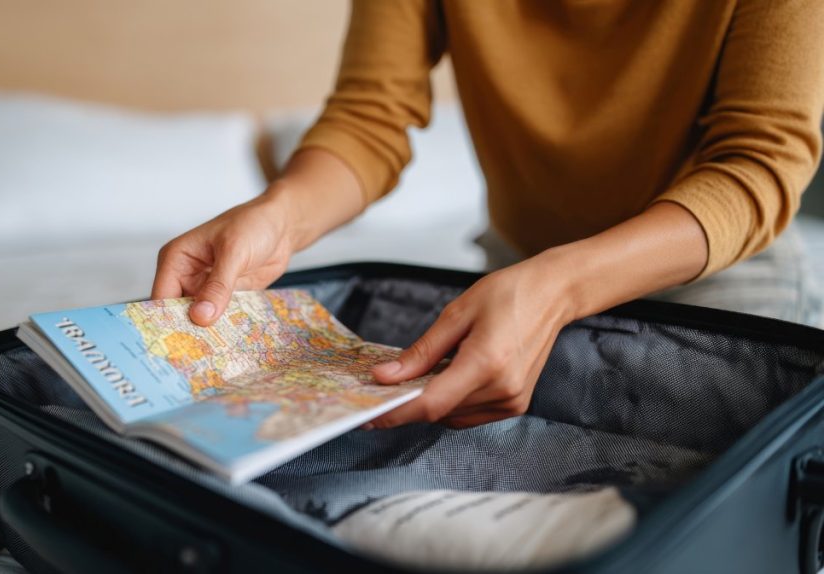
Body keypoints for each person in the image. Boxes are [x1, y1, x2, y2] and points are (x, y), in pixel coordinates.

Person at [152, 1, 824, 430]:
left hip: (718, 273)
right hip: (518, 270)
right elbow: (370, 115)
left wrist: (561, 285)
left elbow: (758, 163)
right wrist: (280, 212)